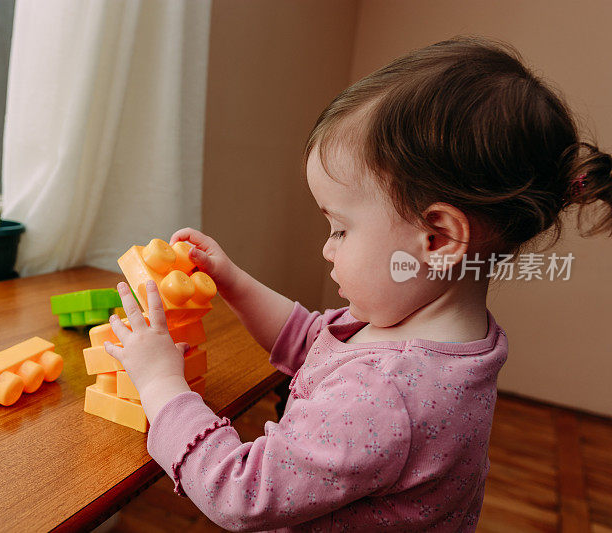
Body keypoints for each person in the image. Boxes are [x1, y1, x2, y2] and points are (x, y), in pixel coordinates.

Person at [104, 35, 612, 531]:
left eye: (341, 228)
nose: (328, 247)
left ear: (437, 239)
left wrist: (160, 384)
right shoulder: (422, 334)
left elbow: (240, 491)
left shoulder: (385, 394)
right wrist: (233, 281)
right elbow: (310, 342)